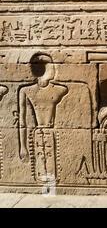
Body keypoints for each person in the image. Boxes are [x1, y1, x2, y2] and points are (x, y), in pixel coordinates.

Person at [18, 53, 68, 181]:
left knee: (52, 170)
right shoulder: (26, 91)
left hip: (51, 133)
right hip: (37, 134)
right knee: (41, 170)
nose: (54, 69)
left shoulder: (59, 89)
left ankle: (50, 190)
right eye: (51, 66)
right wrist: (23, 147)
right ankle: (48, 191)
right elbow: (22, 122)